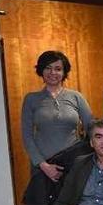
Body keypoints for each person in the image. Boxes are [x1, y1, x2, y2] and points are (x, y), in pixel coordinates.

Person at [21, 50, 93, 183]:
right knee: (44, 204)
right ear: (41, 70)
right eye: (48, 68)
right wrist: (43, 165)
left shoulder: (76, 97)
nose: (53, 73)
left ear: (64, 72)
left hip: (74, 164)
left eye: (58, 69)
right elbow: (27, 137)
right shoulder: (31, 99)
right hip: (43, 166)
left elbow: (92, 129)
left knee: (74, 203)